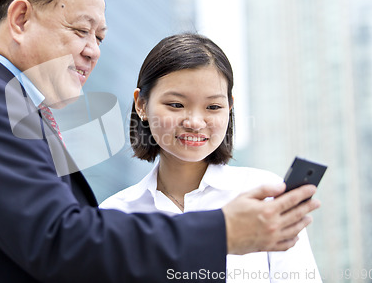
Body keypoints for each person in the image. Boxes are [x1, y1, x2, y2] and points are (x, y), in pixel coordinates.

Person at [0, 0, 320, 282]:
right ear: (20, 19)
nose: (93, 50)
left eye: (99, 37)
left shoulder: (13, 107)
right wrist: (224, 232)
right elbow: (61, 242)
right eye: (80, 30)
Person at [100, 33, 322, 282]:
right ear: (141, 104)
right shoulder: (112, 215)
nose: (194, 122)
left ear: (229, 108)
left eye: (213, 107)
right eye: (176, 104)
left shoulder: (265, 195)